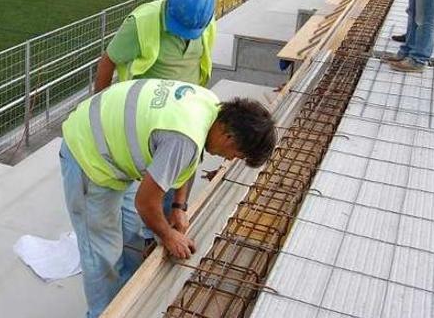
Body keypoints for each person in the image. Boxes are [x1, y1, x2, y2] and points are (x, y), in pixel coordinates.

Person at [60, 78, 276, 318]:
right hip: (89, 155)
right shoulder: (184, 138)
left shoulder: (211, 108)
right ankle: (103, 313)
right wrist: (167, 234)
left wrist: (178, 206)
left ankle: (130, 296)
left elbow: (187, 163)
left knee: (131, 231)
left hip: (113, 146)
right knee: (102, 251)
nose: (232, 159)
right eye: (237, 154)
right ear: (229, 138)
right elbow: (145, 202)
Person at [94, 0, 216, 94]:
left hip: (187, 104)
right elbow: (108, 61)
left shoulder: (202, 19)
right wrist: (97, 107)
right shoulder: (140, 22)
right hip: (146, 110)